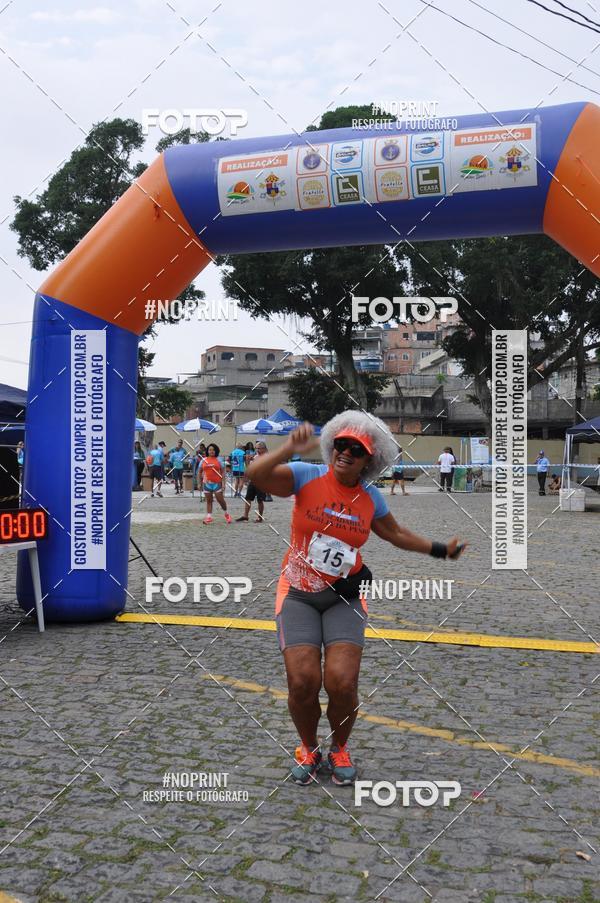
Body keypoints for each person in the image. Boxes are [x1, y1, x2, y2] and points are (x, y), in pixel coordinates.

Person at [245, 411, 466, 787]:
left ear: (369, 460)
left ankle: (340, 748)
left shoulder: (370, 497)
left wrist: (441, 549)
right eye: (341, 445)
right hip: (297, 593)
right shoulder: (305, 475)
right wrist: (286, 448)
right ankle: (308, 747)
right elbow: (257, 475)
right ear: (332, 447)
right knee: (302, 680)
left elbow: (396, 534)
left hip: (344, 595)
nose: (345, 452)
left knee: (341, 682)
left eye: (356, 449)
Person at [236, 440, 268, 522]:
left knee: (260, 500)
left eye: (259, 448)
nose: (257, 450)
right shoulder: (256, 457)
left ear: (264, 449)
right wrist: (247, 461)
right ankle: (245, 515)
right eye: (256, 448)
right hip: (253, 480)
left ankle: (260, 517)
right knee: (248, 498)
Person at [201, 443, 232, 524]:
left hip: (217, 483)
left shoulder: (219, 460)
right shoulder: (203, 460)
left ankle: (226, 514)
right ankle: (209, 517)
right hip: (206, 483)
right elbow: (199, 471)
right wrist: (198, 483)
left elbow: (223, 472)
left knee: (220, 500)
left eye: (213, 450)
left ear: (216, 451)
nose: (211, 451)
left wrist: (223, 483)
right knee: (209, 501)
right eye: (210, 450)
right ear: (207, 451)